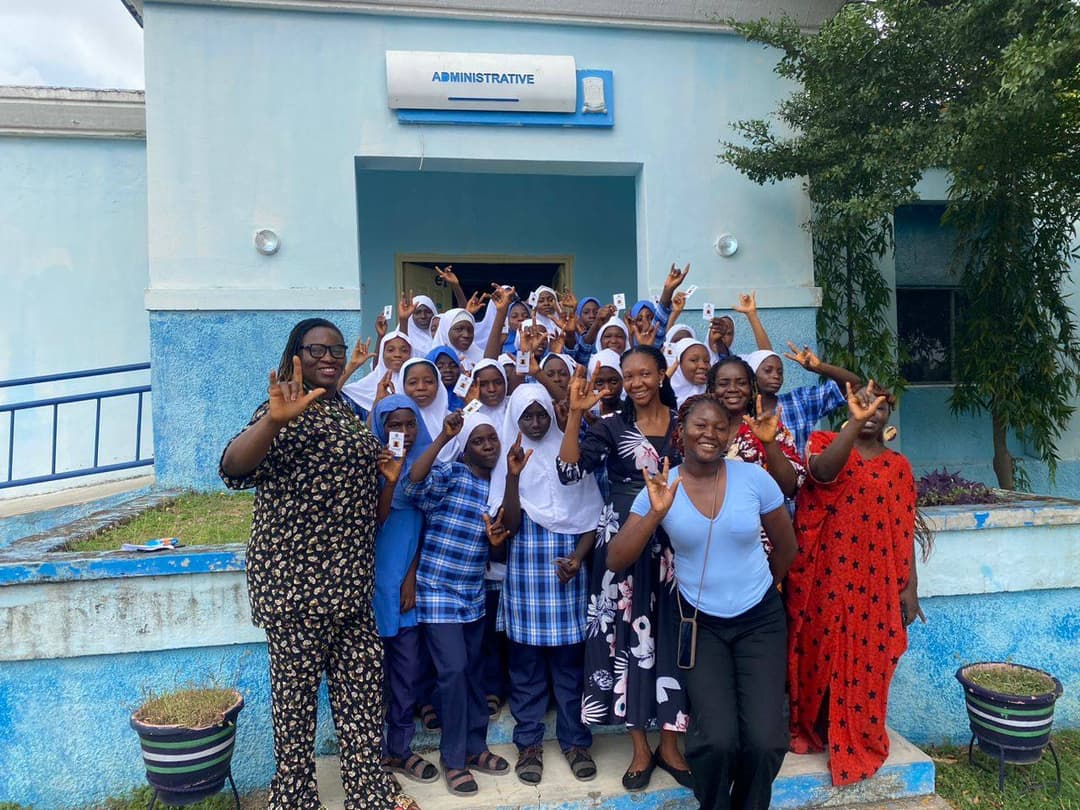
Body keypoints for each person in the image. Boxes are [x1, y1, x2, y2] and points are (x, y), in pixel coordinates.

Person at [218, 318, 417, 810]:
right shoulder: (281, 410)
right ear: (297, 357)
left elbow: (370, 510)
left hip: (350, 586)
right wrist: (272, 421)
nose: (329, 357)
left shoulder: (344, 412)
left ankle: (368, 792)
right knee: (295, 705)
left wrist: (388, 479)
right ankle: (294, 798)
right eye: (317, 350)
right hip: (296, 589)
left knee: (362, 698)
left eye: (336, 349)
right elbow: (231, 468)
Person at [606, 394, 797, 810]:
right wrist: (656, 514)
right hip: (700, 626)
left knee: (765, 741)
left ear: (730, 434)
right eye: (699, 425)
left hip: (760, 622)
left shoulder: (754, 479)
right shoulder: (661, 487)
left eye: (719, 427)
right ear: (681, 432)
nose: (709, 433)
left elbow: (786, 547)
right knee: (715, 740)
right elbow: (616, 558)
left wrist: (765, 589)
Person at [557, 346, 692, 791]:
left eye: (644, 374)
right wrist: (577, 414)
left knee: (672, 634)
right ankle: (639, 747)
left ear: (660, 375)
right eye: (628, 376)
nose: (635, 383)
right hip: (622, 540)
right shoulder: (611, 426)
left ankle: (671, 746)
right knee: (623, 638)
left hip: (675, 540)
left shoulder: (682, 424)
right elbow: (568, 472)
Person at [785, 382, 929, 786]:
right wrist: (854, 422)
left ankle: (858, 735)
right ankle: (818, 728)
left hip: (876, 580)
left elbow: (904, 528)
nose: (872, 414)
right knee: (820, 650)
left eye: (880, 409)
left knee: (871, 658)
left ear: (889, 416)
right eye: (865, 406)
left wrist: (909, 587)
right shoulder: (827, 442)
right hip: (824, 575)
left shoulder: (898, 466)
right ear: (850, 408)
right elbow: (821, 474)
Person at [491, 384, 603, 785]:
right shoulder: (512, 461)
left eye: (541, 415)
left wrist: (579, 558)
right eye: (527, 417)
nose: (536, 423)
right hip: (525, 582)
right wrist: (513, 477)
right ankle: (530, 745)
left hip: (568, 578)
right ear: (515, 421)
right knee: (526, 672)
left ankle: (575, 742)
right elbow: (512, 525)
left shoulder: (567, 457)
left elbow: (591, 517)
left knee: (570, 670)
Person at [404, 410, 513, 797]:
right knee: (452, 670)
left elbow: (501, 533)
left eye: (492, 440)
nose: (487, 446)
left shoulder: (498, 487)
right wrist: (442, 440)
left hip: (473, 592)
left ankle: (476, 747)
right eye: (478, 441)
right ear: (464, 449)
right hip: (436, 589)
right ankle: (453, 759)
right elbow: (413, 486)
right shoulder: (451, 475)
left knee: (472, 672)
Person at [370, 395, 440, 786]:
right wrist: (390, 480)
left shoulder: (427, 469)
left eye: (410, 424)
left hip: (405, 585)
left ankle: (400, 748)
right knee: (369, 676)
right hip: (370, 583)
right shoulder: (371, 468)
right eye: (394, 425)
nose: (404, 433)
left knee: (407, 672)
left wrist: (411, 575)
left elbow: (425, 525)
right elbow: (373, 521)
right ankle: (372, 753)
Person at [707, 356, 805, 499]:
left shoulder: (770, 428)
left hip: (760, 519)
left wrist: (769, 443)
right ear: (711, 388)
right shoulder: (700, 430)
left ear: (751, 388)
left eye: (741, 383)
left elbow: (790, 487)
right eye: (723, 383)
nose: (733, 389)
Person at [667, 337, 711, 406]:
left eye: (707, 361)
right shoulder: (660, 398)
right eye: (694, 360)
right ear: (678, 364)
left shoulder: (711, 396)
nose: (703, 366)